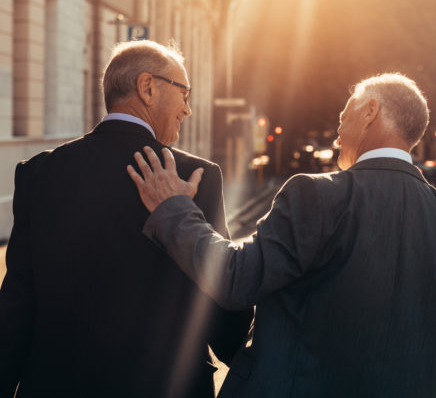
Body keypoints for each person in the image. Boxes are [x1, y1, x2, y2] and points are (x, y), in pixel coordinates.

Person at [128, 73, 436, 397]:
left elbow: (236, 279)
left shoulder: (315, 195)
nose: (338, 128)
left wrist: (174, 209)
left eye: (344, 113)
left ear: (370, 112)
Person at [0, 40, 253, 398]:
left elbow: (16, 307)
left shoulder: (39, 173)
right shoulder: (195, 176)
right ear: (147, 87)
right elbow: (220, 304)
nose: (188, 109)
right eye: (185, 92)